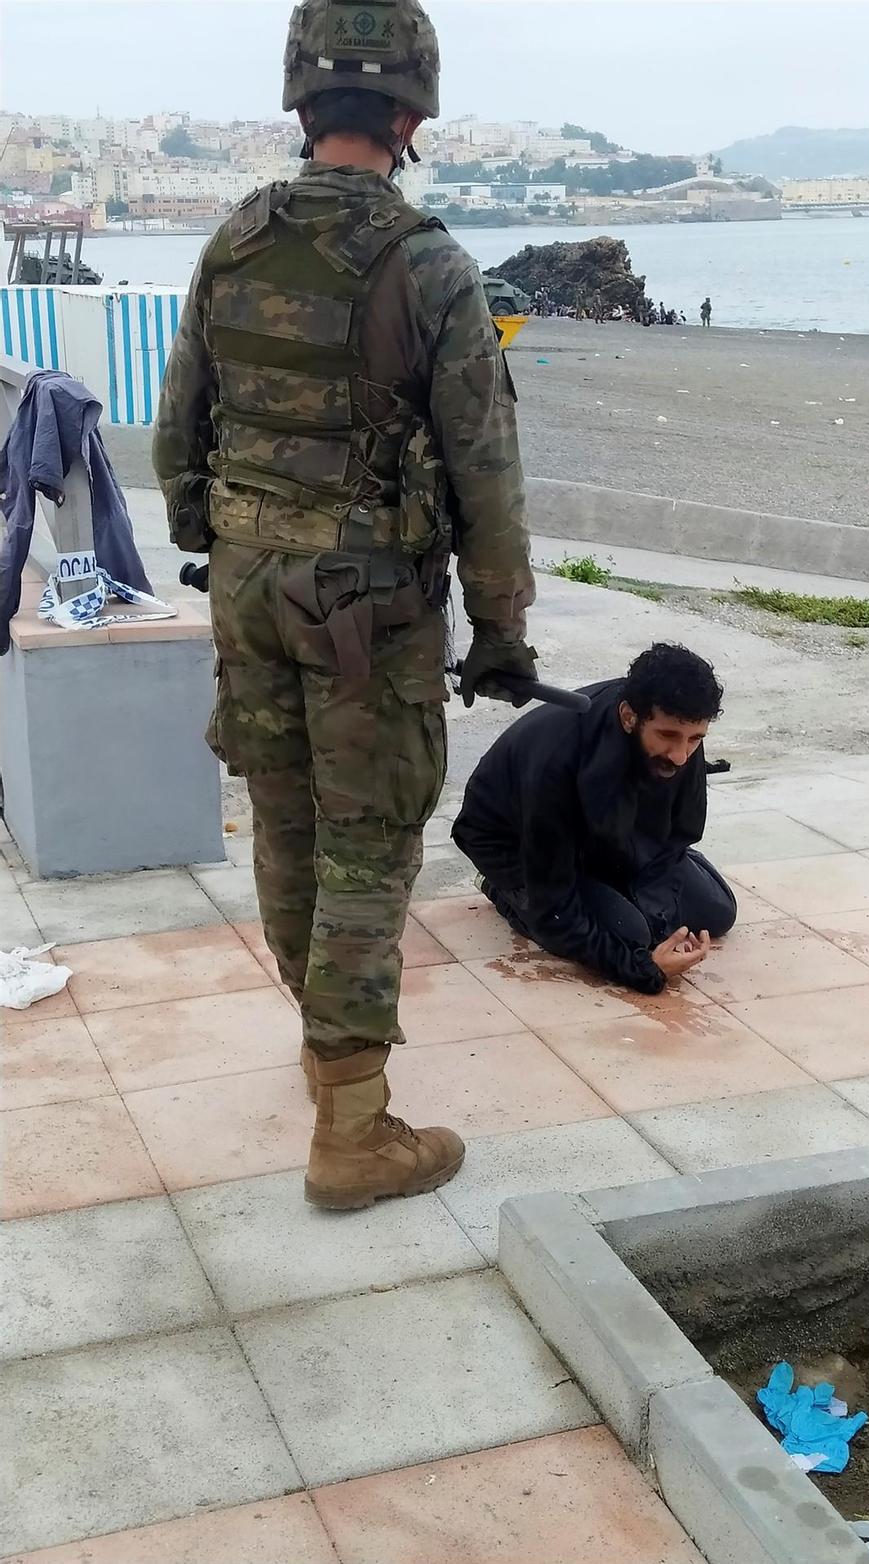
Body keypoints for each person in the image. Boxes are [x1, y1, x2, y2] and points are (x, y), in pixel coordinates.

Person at [152, 0, 536, 1212]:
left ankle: (324, 1048)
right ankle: (354, 1130)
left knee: (282, 819)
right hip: (366, 606)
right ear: (413, 113)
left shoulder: (232, 241)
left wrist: (218, 541)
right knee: (369, 842)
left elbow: (179, 435)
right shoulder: (428, 265)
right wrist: (503, 628)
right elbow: (485, 473)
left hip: (250, 586)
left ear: (302, 105)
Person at [452, 644, 737, 995]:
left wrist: (658, 908)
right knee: (629, 934)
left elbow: (680, 835)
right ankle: (506, 892)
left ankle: (611, 882)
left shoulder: (680, 730)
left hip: (599, 834)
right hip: (519, 842)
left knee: (718, 911)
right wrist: (643, 968)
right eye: (668, 737)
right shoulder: (556, 761)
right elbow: (557, 905)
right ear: (629, 717)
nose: (681, 756)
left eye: (695, 739)